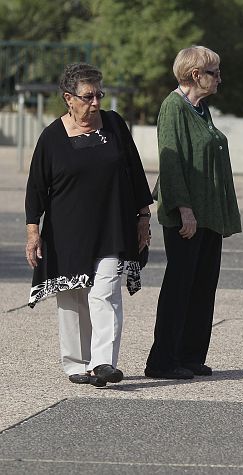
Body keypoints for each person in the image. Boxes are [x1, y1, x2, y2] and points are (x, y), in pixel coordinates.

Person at [25, 63, 153, 387]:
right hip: (68, 233)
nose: (95, 102)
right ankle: (76, 364)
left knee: (105, 291)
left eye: (99, 94)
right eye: (87, 96)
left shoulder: (114, 125)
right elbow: (36, 189)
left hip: (112, 226)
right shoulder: (52, 138)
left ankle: (102, 363)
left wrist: (143, 218)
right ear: (68, 98)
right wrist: (33, 232)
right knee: (73, 298)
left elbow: (135, 172)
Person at [145, 46, 241, 379]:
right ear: (195, 75)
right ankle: (162, 361)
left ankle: (189, 355)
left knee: (203, 286)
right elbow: (171, 162)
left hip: (209, 214)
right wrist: (184, 209)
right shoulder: (174, 107)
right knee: (180, 286)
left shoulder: (200, 109)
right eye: (214, 72)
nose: (219, 78)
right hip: (188, 216)